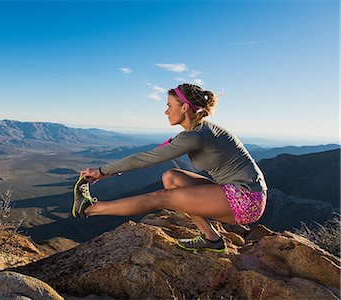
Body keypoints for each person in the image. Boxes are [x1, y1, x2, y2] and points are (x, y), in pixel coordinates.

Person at [73, 83, 268, 252]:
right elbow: (159, 151)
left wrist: (101, 170)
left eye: (169, 106)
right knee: (171, 178)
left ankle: (90, 209)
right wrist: (108, 172)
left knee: (159, 198)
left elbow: (146, 158)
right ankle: (212, 239)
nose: (165, 111)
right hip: (244, 194)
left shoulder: (196, 136)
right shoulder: (198, 130)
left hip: (246, 200)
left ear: (184, 107)